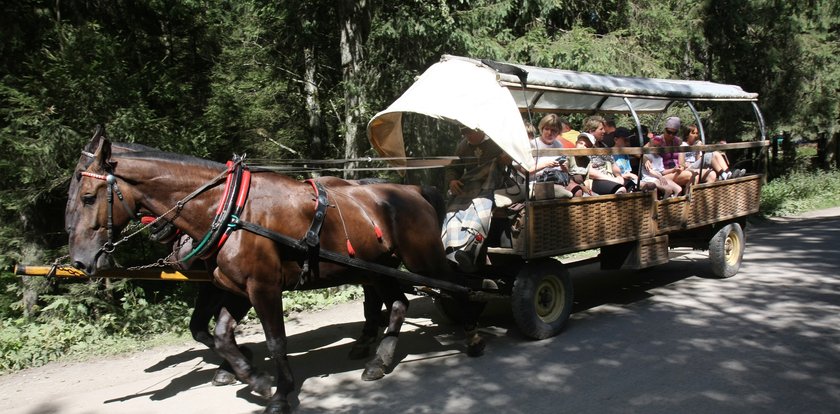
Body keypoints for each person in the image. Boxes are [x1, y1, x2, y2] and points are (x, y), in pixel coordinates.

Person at [442, 126, 509, 272]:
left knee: (479, 210)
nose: (467, 135)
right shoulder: (462, 145)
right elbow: (453, 167)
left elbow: (514, 160)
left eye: (469, 131)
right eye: (464, 132)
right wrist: (452, 180)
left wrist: (506, 159)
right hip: (469, 187)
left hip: (493, 186)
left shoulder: (496, 141)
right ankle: (450, 250)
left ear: (479, 130)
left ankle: (469, 250)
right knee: (452, 212)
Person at [652, 116, 694, 188]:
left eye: (674, 133)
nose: (671, 135)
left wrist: (681, 167)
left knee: (697, 175)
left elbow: (681, 163)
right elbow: (642, 151)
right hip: (663, 173)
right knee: (689, 175)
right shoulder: (657, 140)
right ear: (665, 130)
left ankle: (689, 197)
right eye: (669, 132)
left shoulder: (678, 141)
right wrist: (646, 159)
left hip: (676, 171)